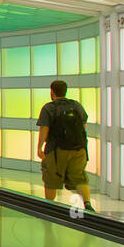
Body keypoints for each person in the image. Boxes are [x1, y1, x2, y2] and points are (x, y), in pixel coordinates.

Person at [37, 79, 96, 213]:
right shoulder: (76, 106)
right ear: (65, 91)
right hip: (78, 149)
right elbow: (83, 126)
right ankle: (87, 204)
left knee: (51, 178)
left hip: (57, 151)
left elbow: (44, 129)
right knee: (80, 177)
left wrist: (40, 147)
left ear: (52, 92)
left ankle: (49, 207)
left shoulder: (49, 108)